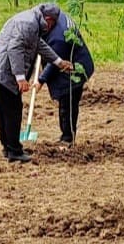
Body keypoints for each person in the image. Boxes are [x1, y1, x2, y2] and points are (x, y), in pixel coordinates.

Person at [0, 3, 73, 163]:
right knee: (12, 110)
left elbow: (38, 45)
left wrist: (58, 62)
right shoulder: (28, 23)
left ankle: (8, 146)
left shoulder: (32, 21)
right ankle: (15, 151)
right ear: (49, 20)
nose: (52, 28)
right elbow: (14, 49)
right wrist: (20, 78)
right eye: (53, 24)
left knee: (4, 110)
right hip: (4, 72)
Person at [38, 9, 95, 144]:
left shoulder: (59, 38)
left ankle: (67, 138)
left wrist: (41, 80)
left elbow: (54, 62)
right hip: (68, 61)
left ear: (49, 20)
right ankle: (66, 135)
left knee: (67, 103)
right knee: (66, 103)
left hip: (75, 69)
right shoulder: (56, 15)